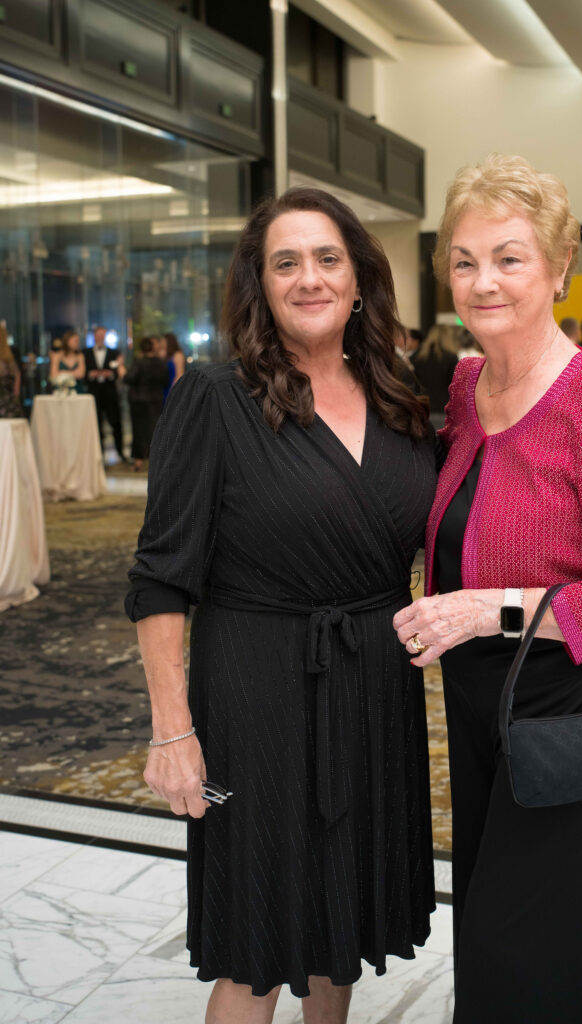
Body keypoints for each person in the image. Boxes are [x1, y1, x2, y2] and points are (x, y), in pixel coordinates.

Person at [126, 187, 436, 1024]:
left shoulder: (403, 400)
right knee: (257, 941)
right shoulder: (215, 398)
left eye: (327, 258)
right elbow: (161, 577)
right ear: (259, 285)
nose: (309, 277)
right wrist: (171, 728)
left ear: (360, 277)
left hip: (375, 687)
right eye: (285, 262)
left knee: (343, 922)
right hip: (256, 692)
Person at [393, 154, 582, 1024]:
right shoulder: (472, 385)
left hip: (562, 705)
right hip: (479, 704)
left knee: (530, 950)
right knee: (489, 930)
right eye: (465, 260)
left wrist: (492, 608)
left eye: (509, 258)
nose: (483, 281)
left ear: (559, 267)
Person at [121, 336, 169, 471]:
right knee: (155, 430)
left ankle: (138, 461)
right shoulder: (161, 363)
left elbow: (129, 379)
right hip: (155, 400)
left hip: (138, 401)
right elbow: (165, 382)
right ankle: (158, 462)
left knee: (139, 431)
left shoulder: (138, 362)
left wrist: (121, 370)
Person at [85, 325, 126, 461]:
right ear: (94, 336)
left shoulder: (115, 353)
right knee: (96, 424)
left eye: (103, 335)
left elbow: (118, 371)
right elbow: (84, 372)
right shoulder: (85, 353)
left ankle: (121, 453)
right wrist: (91, 374)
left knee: (116, 422)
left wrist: (110, 373)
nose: (100, 337)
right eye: (98, 335)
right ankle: (98, 455)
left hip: (110, 393)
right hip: (94, 393)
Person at [411, 324, 460, 428]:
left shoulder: (417, 356)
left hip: (422, 406)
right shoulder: (450, 357)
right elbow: (454, 384)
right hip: (443, 407)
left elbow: (413, 382)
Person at [0, 321, 22, 418]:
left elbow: (17, 375)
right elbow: (17, 375)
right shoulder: (9, 357)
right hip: (10, 403)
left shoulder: (9, 357)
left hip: (6, 405)